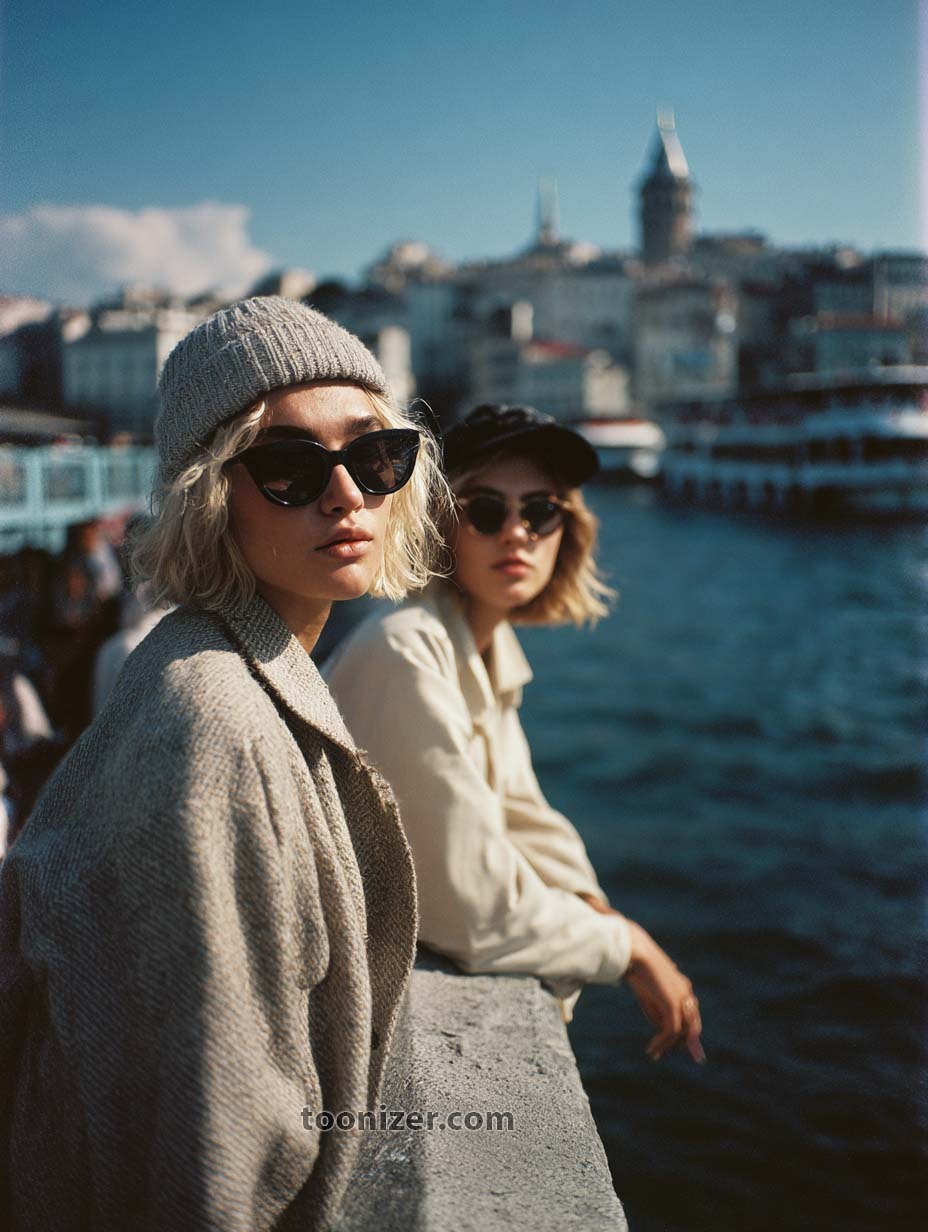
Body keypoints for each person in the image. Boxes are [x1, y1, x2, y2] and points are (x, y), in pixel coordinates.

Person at [0, 296, 447, 1230]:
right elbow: (210, 1149)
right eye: (288, 467)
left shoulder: (214, 667)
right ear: (210, 495)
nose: (348, 495)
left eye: (376, 455)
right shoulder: (215, 729)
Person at [326, 403, 704, 1063]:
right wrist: (628, 948)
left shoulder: (478, 646)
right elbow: (476, 910)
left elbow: (524, 817)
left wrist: (596, 909)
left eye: (541, 511)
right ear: (442, 522)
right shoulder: (407, 650)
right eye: (486, 510)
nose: (518, 533)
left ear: (566, 528)